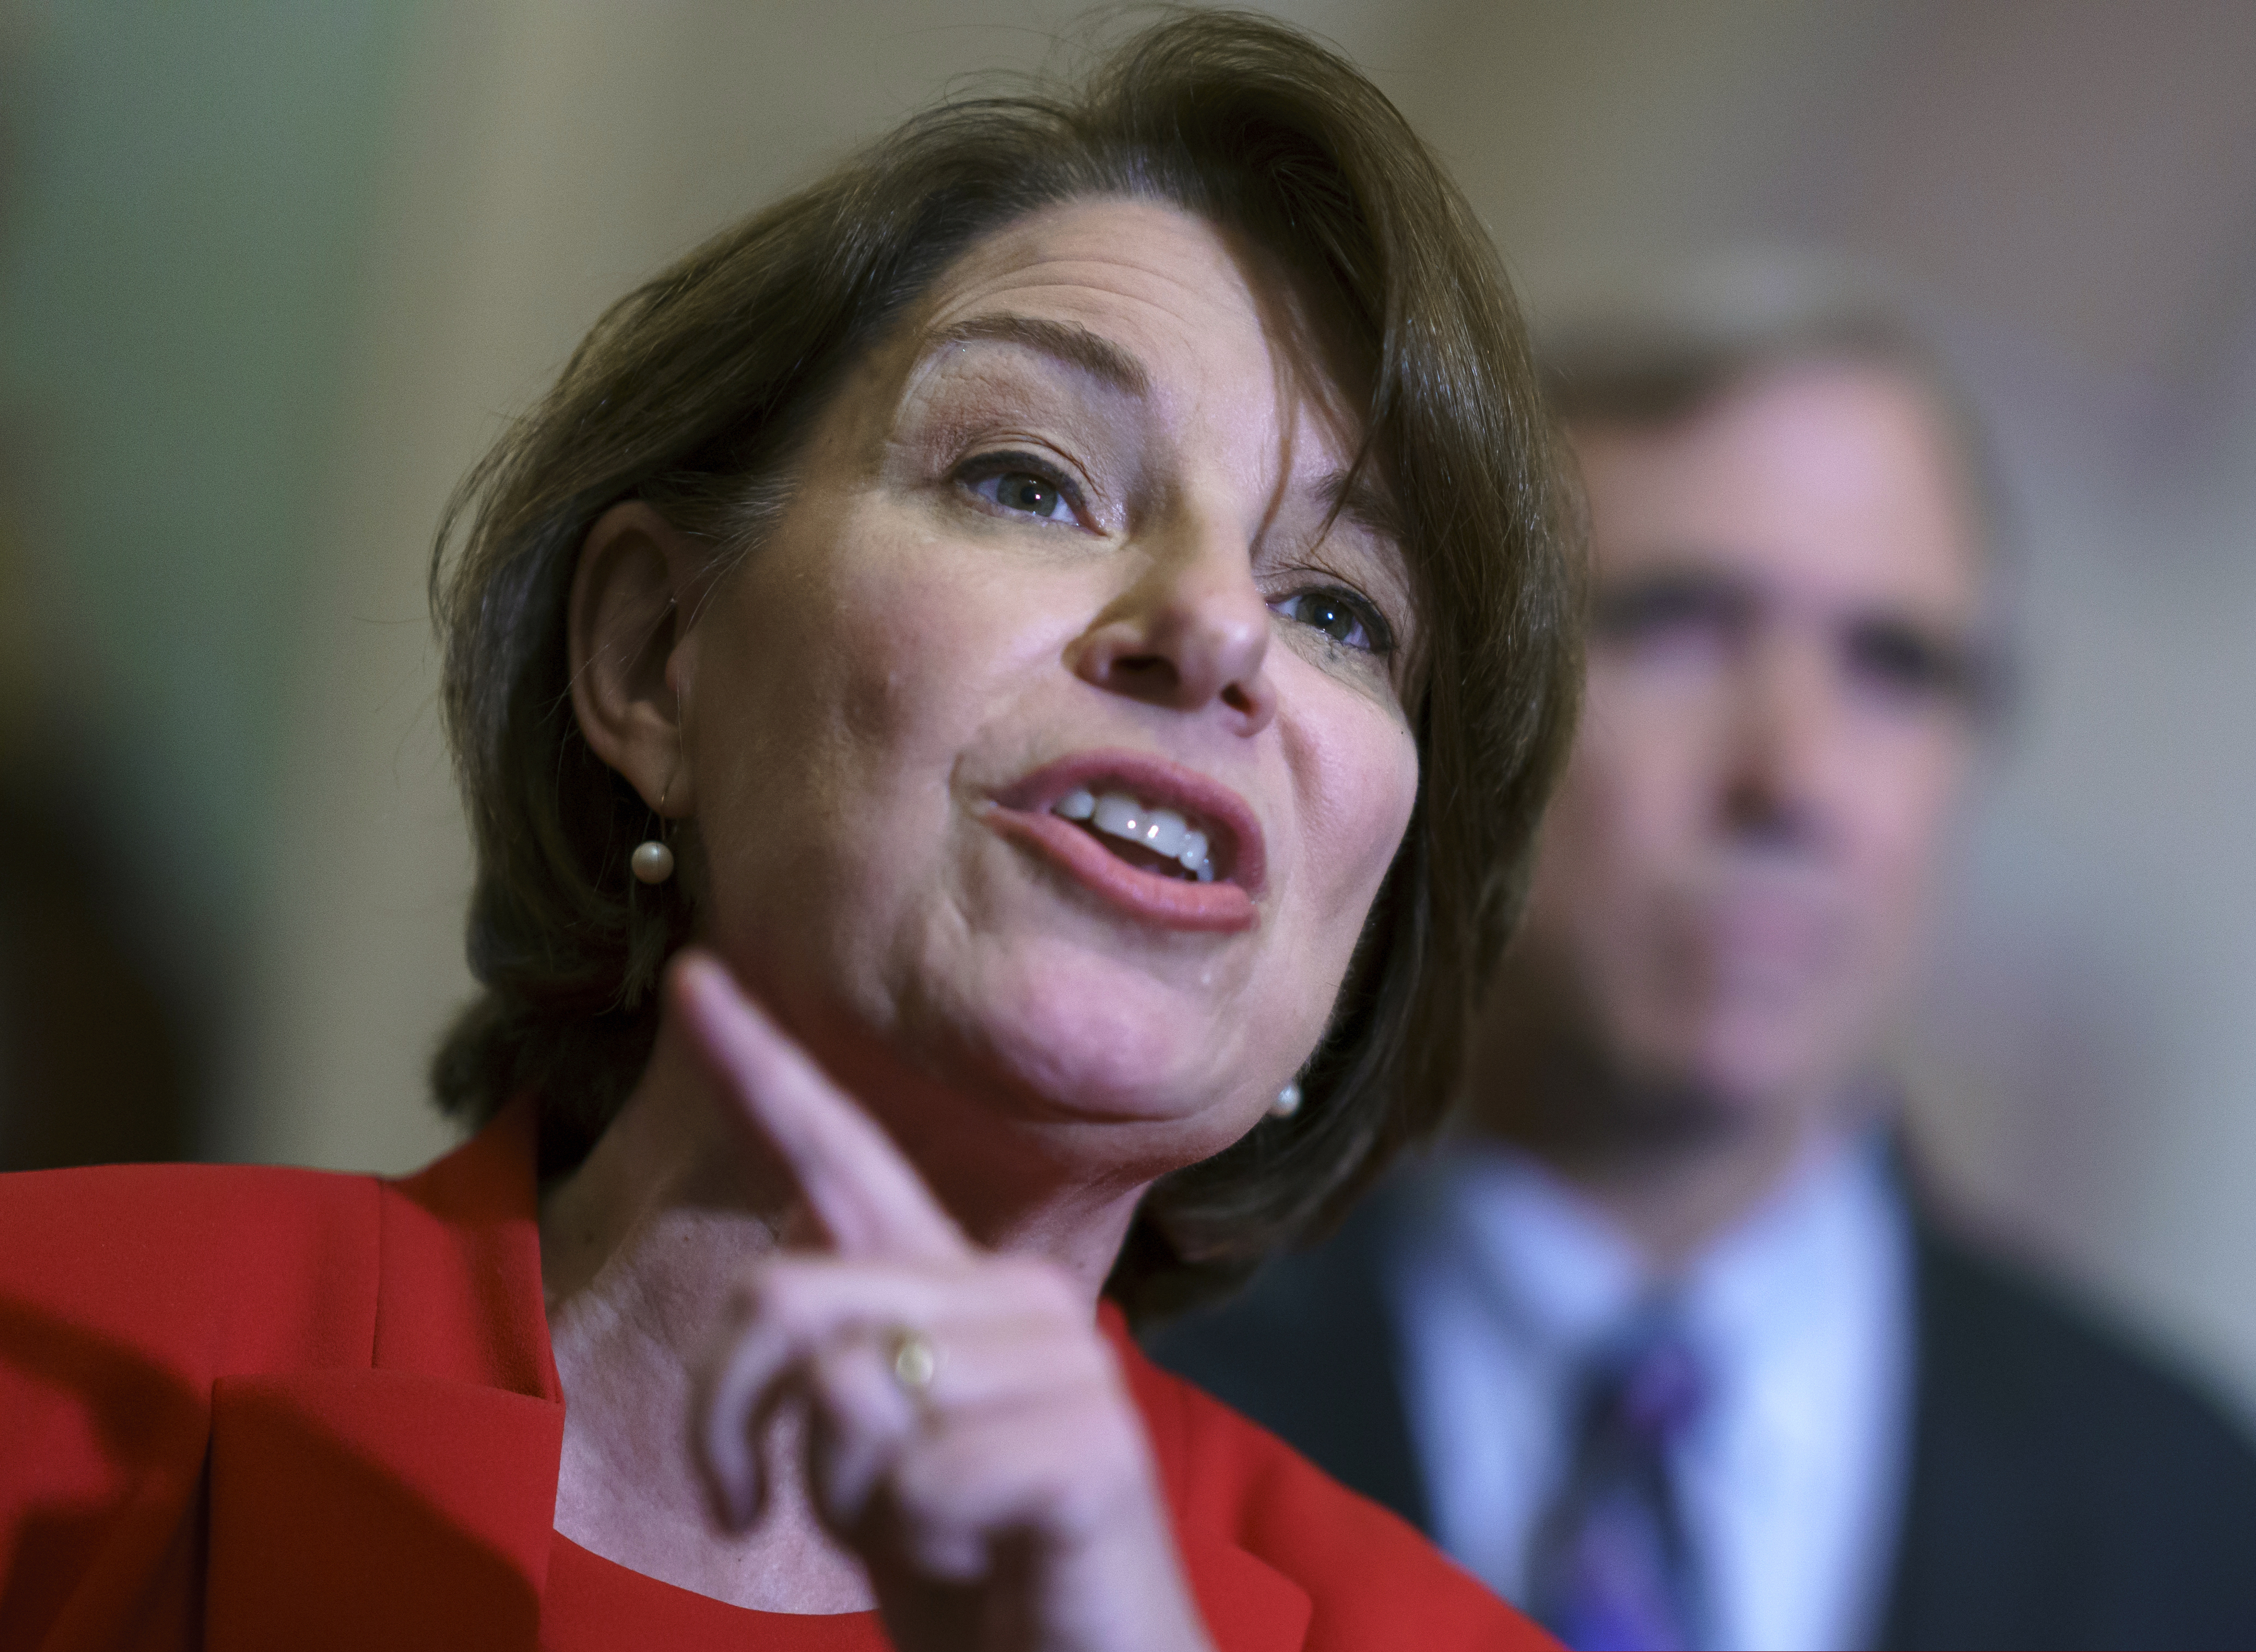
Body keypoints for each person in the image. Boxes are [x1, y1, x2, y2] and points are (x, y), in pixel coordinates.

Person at [0, 14, 1584, 1651]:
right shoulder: (44, 1382)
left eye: (1336, 609)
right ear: (657, 661)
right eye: (1029, 484)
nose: (1216, 632)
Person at [1149, 281, 2256, 1650]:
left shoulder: (2191, 1513)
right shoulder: (1130, 1349)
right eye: (1673, 624)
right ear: (1459, 703)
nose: (1789, 778)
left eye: (1894, 665)